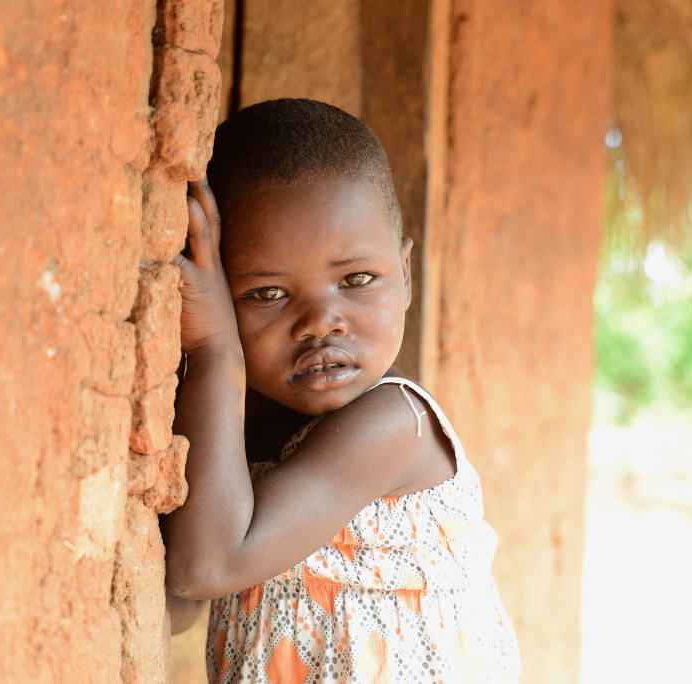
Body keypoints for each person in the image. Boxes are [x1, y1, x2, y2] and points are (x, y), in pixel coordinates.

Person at [162, 99, 520, 684]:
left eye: (356, 279)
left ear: (404, 275)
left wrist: (216, 350)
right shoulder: (236, 430)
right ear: (219, 293)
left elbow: (206, 568)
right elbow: (176, 597)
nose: (321, 322)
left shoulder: (394, 427)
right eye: (267, 294)